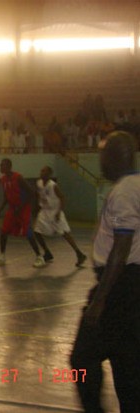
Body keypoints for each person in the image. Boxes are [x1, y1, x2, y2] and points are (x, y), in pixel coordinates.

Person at [70, 131, 140, 413]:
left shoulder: (124, 190)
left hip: (118, 289)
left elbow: (121, 247)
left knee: (81, 360)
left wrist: (100, 299)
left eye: (102, 155)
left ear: (114, 157)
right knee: (128, 367)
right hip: (133, 289)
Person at [0, 158, 45, 268]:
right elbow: (6, 197)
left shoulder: (18, 177)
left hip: (23, 207)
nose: (0, 167)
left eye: (2, 165)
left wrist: (22, 207)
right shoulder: (3, 179)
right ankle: (2, 256)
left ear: (9, 167)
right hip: (13, 208)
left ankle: (39, 257)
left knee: (28, 232)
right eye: (0, 165)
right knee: (4, 231)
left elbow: (31, 192)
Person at [33, 166, 87, 266]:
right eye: (41, 170)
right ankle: (47, 252)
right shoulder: (39, 183)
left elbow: (62, 198)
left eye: (44, 171)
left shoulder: (53, 185)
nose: (41, 172)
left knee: (65, 233)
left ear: (49, 174)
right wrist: (37, 206)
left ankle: (79, 254)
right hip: (44, 211)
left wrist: (59, 212)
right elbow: (39, 195)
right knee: (36, 232)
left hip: (55, 211)